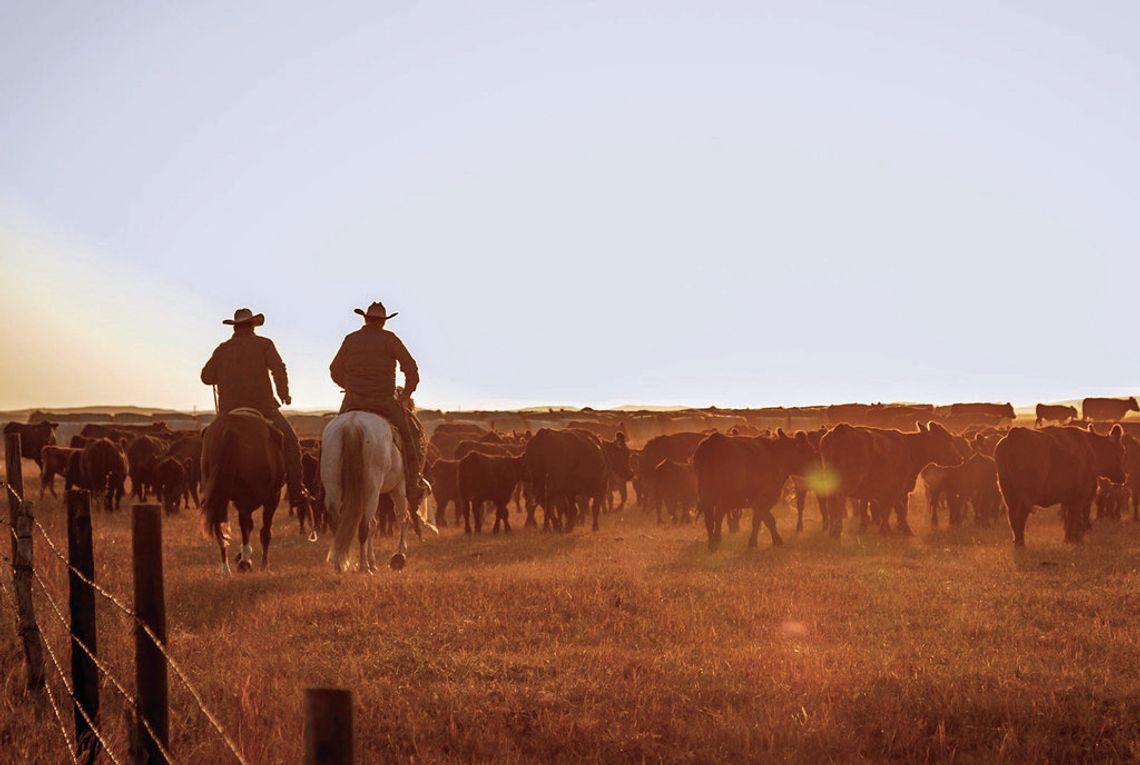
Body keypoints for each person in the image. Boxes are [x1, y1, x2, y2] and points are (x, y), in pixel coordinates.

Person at [200, 307, 305, 512]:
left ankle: (206, 490)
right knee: (291, 442)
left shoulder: (222, 349)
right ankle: (296, 491)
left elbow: (206, 377)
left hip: (229, 410)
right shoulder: (264, 344)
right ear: (253, 325)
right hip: (263, 407)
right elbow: (278, 368)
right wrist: (284, 393)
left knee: (207, 440)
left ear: (235, 327)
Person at [329, 301, 427, 507]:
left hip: (353, 399)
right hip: (384, 400)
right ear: (383, 322)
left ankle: (320, 487)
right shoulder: (390, 339)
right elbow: (411, 368)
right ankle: (413, 484)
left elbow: (334, 369)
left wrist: (349, 386)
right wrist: (406, 394)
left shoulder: (351, 339)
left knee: (330, 438)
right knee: (412, 436)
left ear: (365, 319)